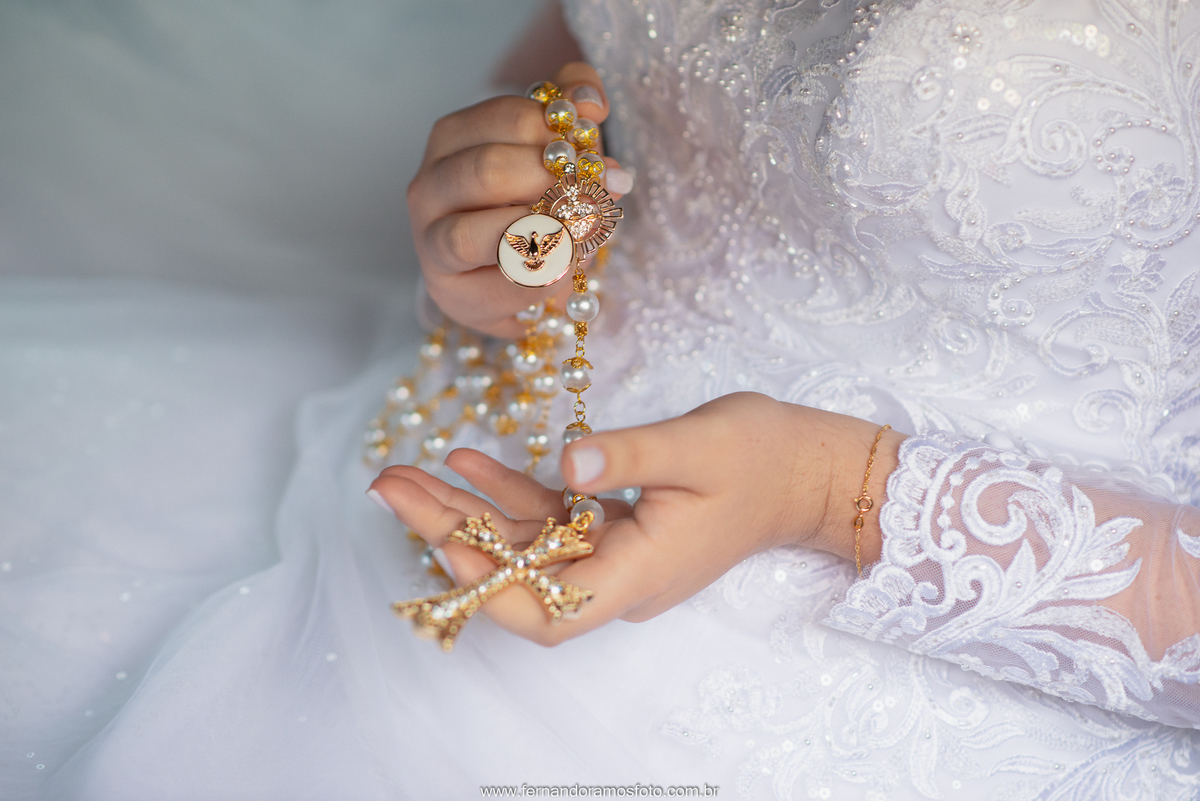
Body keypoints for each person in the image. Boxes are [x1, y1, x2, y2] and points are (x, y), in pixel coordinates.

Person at [7, 0, 1200, 799]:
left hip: (927, 670)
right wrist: (505, 230)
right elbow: (590, 59)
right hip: (459, 415)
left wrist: (836, 493)